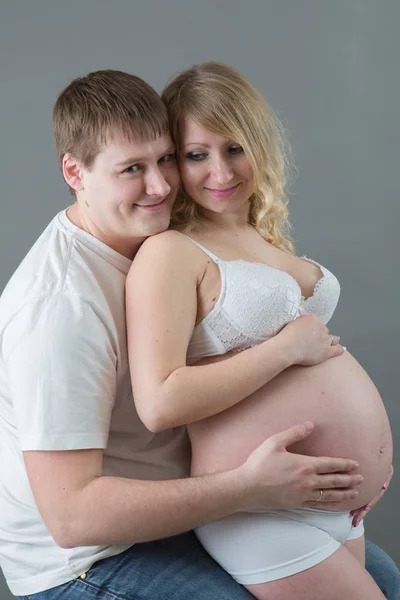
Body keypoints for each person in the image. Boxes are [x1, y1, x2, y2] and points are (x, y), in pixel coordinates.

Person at [0, 69, 397, 600]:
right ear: (74, 171)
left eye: (165, 159)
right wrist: (249, 487)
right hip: (88, 560)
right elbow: (72, 518)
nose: (161, 186)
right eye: (132, 169)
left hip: (191, 510)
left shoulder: (159, 240)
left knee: (386, 582)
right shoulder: (59, 306)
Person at [126, 62, 396, 599]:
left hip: (331, 506)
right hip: (262, 510)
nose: (220, 173)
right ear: (174, 163)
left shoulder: (264, 239)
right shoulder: (171, 252)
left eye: (235, 148)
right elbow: (159, 402)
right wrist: (285, 350)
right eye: (196, 155)